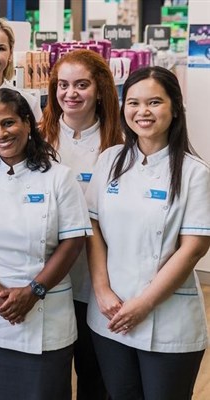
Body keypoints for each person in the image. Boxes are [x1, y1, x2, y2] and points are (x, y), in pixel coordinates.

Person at [0, 88, 91, 400]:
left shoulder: (59, 178)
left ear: (27, 123)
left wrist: (34, 290)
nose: (1, 134)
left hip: (45, 317)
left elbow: (73, 242)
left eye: (8, 123)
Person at [85, 66, 210, 400]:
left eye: (154, 102)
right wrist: (102, 290)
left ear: (175, 108)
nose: (143, 111)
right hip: (110, 313)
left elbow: (193, 249)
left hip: (167, 319)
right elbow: (93, 228)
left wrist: (143, 304)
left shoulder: (194, 173)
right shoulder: (110, 160)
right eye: (134, 103)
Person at [39, 49, 123, 400]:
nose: (70, 93)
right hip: (47, 279)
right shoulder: (37, 139)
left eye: (81, 85)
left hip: (96, 283)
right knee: (50, 378)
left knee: (94, 376)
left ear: (100, 89)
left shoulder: (119, 144)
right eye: (63, 85)